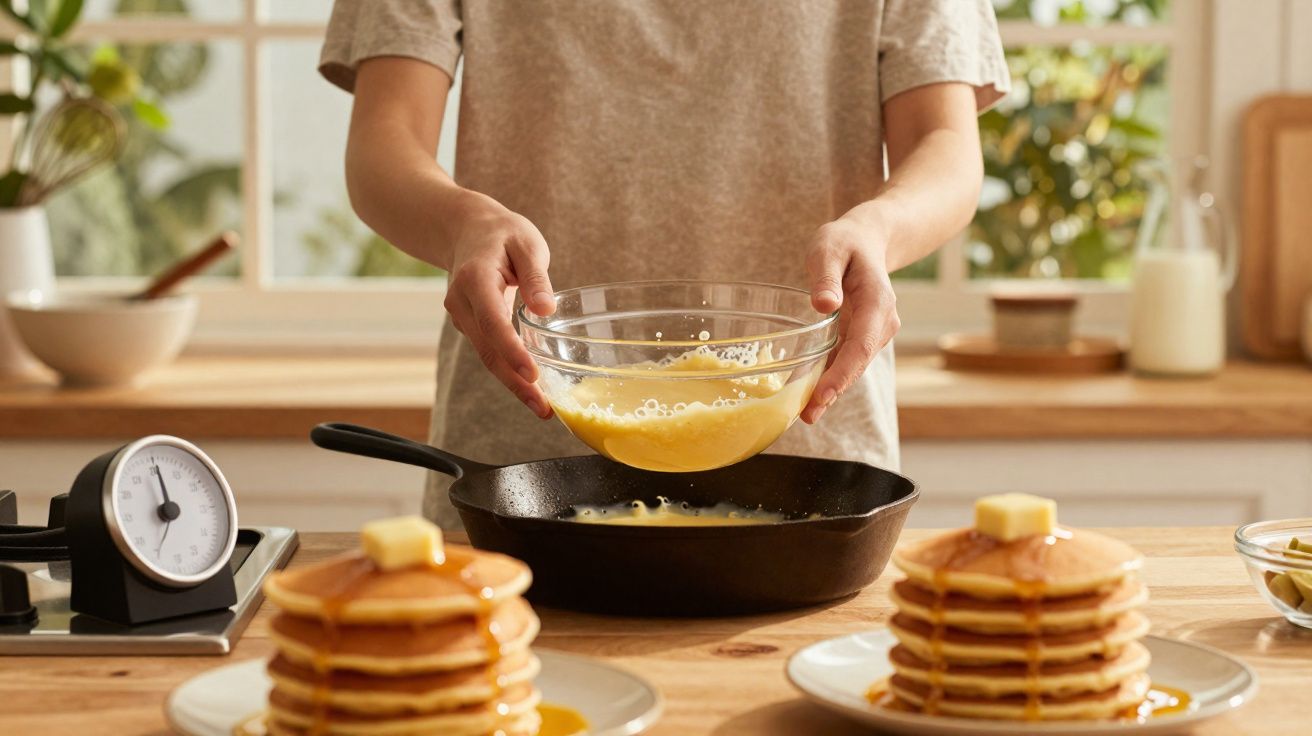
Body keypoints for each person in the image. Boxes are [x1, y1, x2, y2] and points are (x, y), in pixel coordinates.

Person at [321, 1, 1009, 529]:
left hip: (815, 470)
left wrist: (878, 229)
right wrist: (462, 223)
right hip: (520, 472)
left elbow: (945, 143)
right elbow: (384, 143)